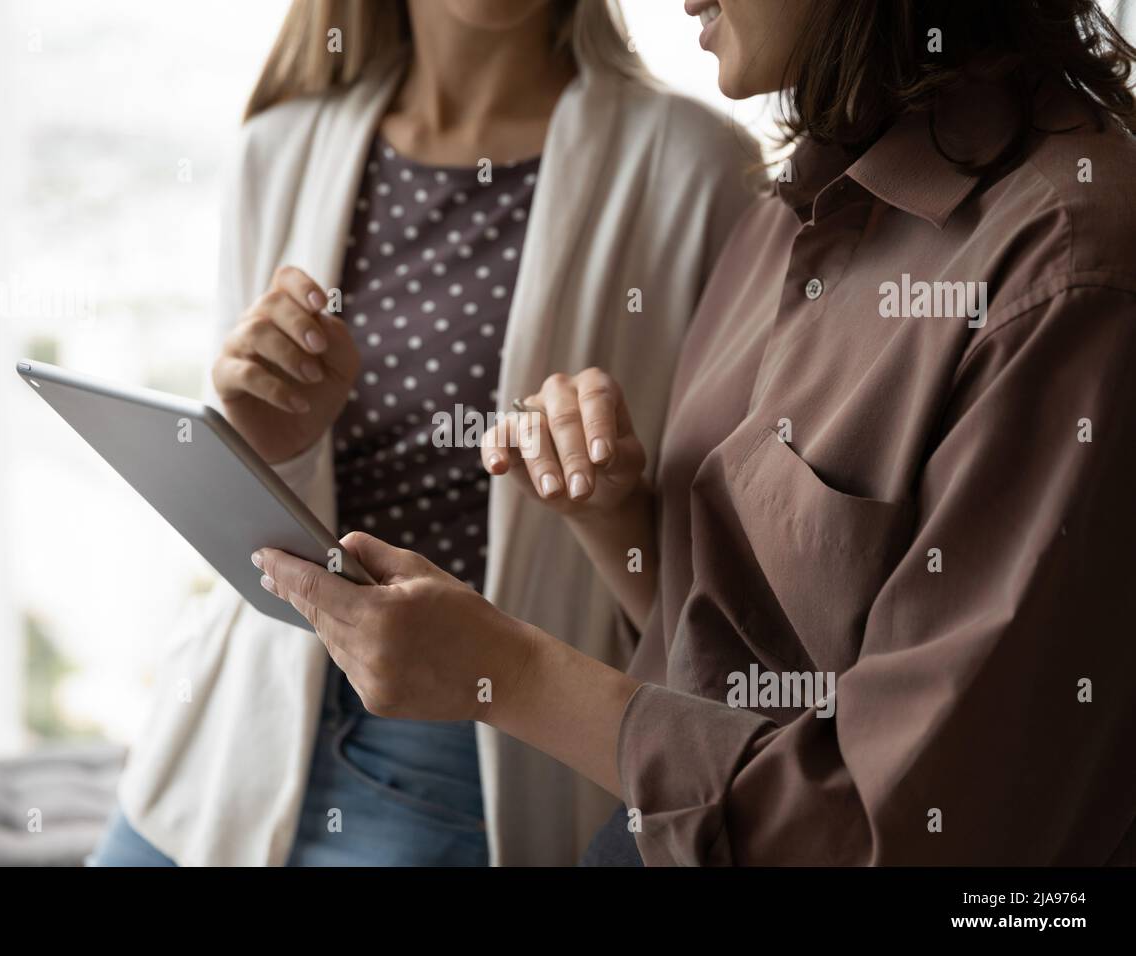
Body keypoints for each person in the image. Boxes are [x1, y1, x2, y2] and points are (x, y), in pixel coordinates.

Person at [254, 0, 1136, 865]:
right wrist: (608, 512)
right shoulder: (782, 214)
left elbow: (902, 831)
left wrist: (506, 674)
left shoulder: (1066, 272)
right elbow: (710, 652)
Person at [92, 0, 756, 865]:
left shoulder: (701, 170)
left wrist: (606, 504)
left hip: (468, 745)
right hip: (234, 728)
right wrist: (266, 439)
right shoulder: (275, 151)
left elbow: (715, 617)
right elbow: (250, 533)